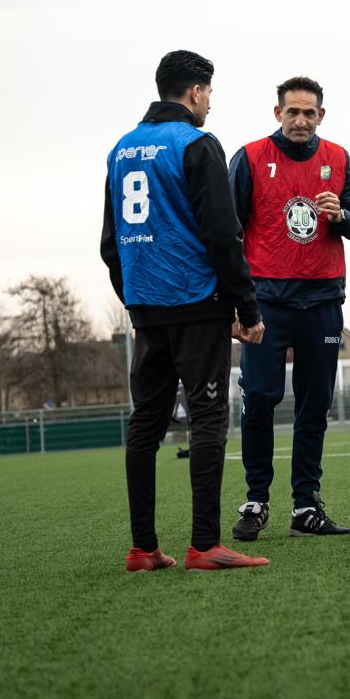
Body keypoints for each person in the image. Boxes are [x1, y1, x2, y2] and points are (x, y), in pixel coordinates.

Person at [102, 49, 270, 572]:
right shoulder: (197, 144)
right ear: (195, 92)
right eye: (210, 94)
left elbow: (111, 244)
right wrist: (246, 306)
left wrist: (134, 298)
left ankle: (143, 548)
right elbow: (223, 234)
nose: (211, 105)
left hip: (146, 309)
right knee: (207, 418)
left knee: (146, 425)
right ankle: (204, 545)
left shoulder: (121, 149)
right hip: (197, 305)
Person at [228, 75, 350, 540]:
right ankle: (256, 500)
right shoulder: (250, 157)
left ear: (321, 116)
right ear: (277, 114)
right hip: (266, 302)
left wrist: (341, 216)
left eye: (309, 112)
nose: (300, 120)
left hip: (324, 300)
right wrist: (234, 303)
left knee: (315, 405)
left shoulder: (338, 158)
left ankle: (306, 506)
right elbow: (226, 231)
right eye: (292, 111)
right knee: (261, 400)